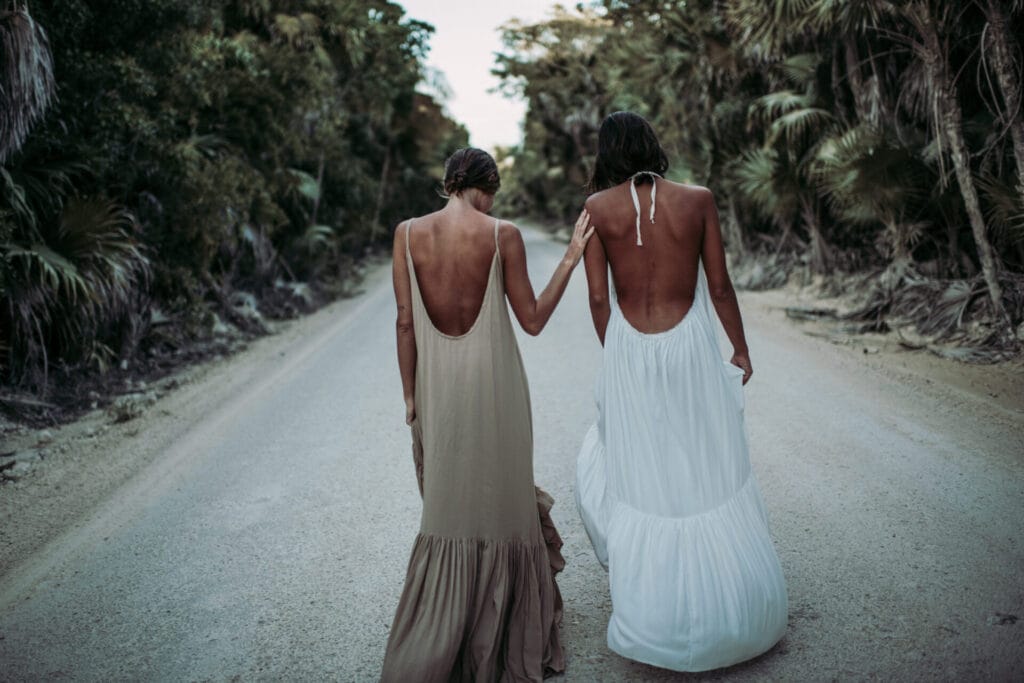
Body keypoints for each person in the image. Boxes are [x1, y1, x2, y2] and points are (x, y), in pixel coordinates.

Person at [575, 112, 788, 672]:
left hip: (628, 343)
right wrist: (739, 348)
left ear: (607, 153)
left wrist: (618, 351)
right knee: (700, 460)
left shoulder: (596, 210)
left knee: (643, 468)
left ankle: (657, 613)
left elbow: (600, 300)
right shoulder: (697, 198)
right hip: (690, 343)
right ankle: (729, 609)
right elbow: (717, 284)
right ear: (651, 144)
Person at [382, 147, 594, 682]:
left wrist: (411, 397)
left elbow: (405, 323)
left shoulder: (407, 234)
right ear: (487, 186)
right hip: (498, 390)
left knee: (448, 508)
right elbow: (533, 320)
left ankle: (438, 631)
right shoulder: (502, 234)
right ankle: (503, 630)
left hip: (438, 391)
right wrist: (570, 257)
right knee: (502, 499)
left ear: (448, 183)